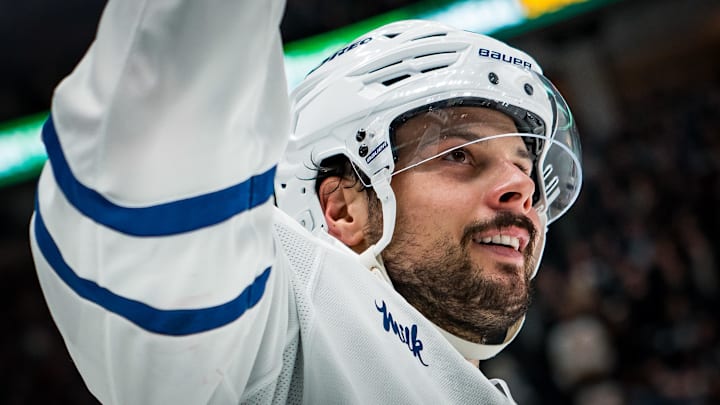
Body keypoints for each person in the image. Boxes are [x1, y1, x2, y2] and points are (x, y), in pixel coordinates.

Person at [29, 1, 582, 404]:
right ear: (342, 209)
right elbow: (148, 147)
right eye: (459, 154)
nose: (523, 188)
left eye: (524, 165)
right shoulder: (287, 322)